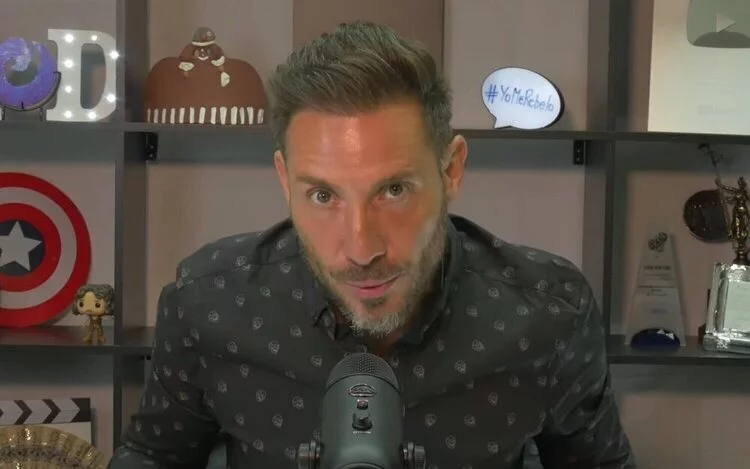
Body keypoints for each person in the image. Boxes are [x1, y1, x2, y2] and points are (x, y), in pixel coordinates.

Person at [109, 21, 636, 469]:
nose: (361, 250)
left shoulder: (551, 314)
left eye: (394, 190)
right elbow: (153, 454)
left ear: (450, 170)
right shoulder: (208, 302)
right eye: (323, 195)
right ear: (285, 181)